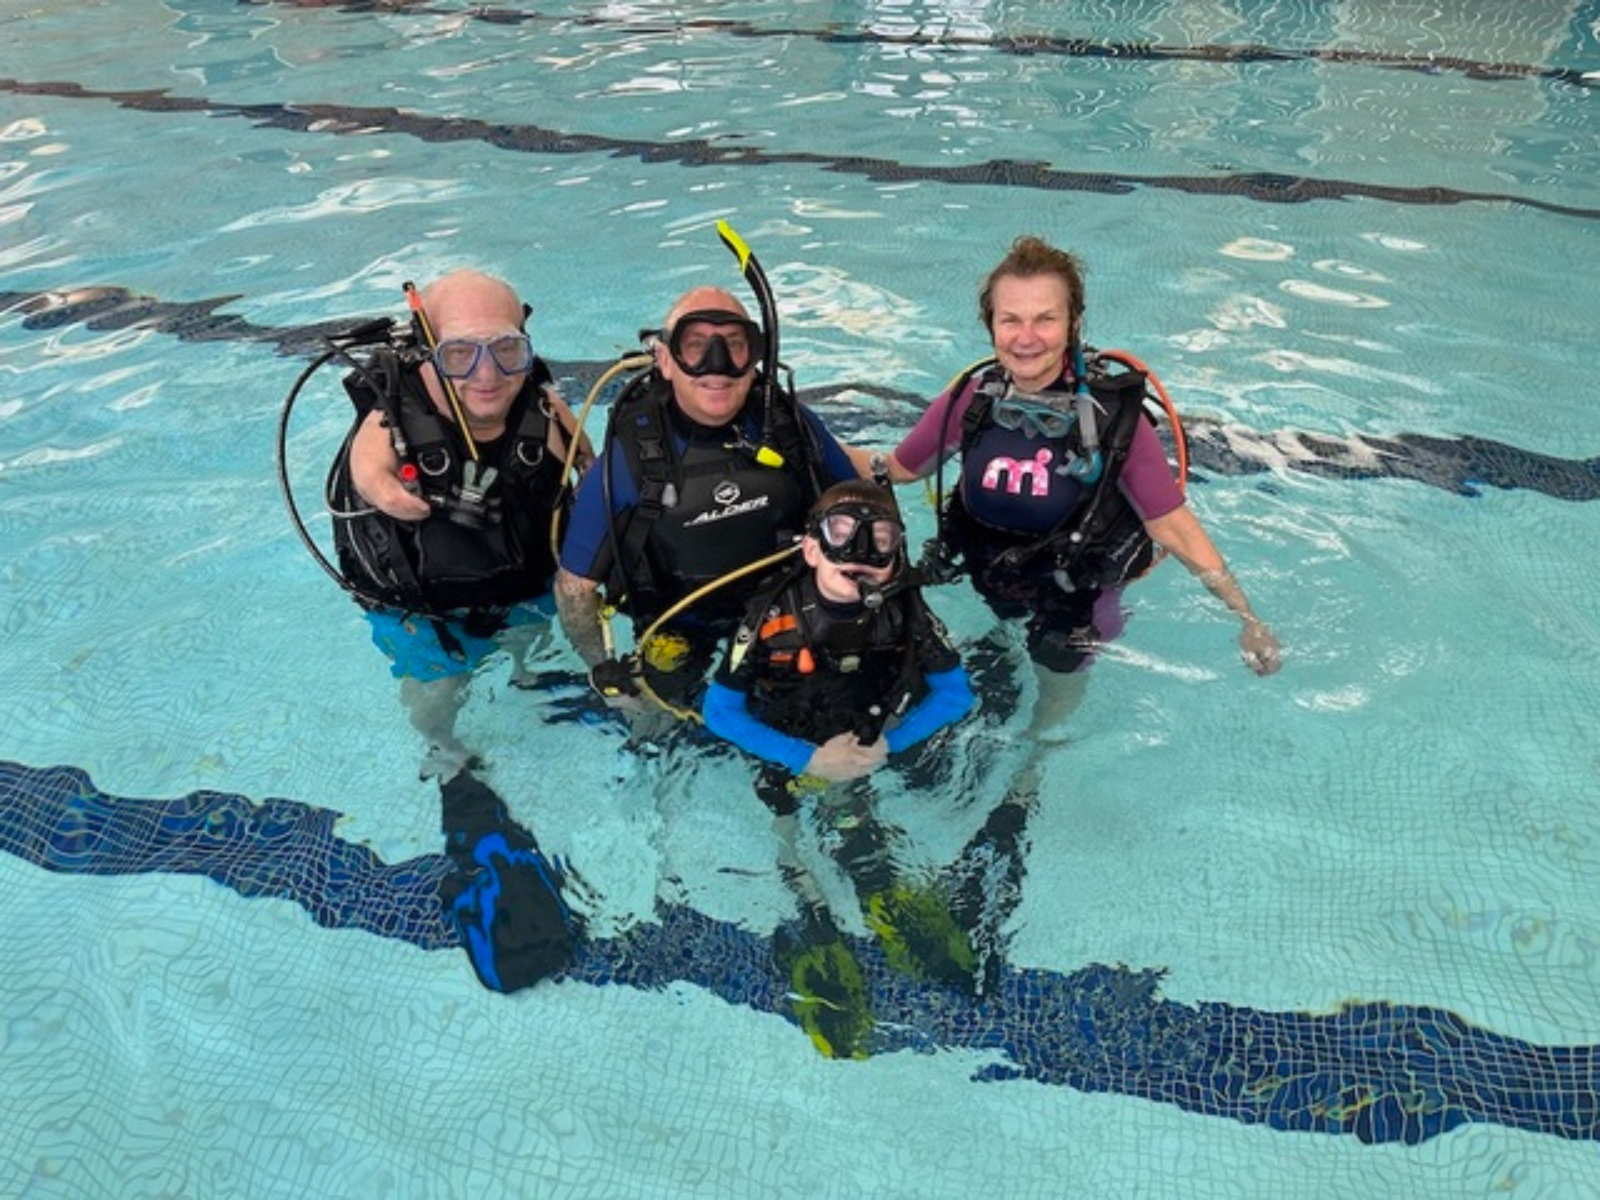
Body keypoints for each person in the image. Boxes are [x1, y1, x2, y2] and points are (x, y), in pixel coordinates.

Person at [857, 235, 1281, 732]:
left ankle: (1030, 770)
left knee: (1050, 692)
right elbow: (897, 469)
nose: (1026, 337)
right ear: (990, 325)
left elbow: (1174, 528)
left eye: (1045, 318)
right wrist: (796, 426)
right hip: (990, 575)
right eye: (1010, 319)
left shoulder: (1112, 420)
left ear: (1073, 322)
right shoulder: (969, 402)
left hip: (1076, 596)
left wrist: (1248, 619)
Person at [701, 481, 977, 1057]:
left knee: (856, 815)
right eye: (841, 537)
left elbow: (956, 695)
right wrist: (808, 759)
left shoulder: (906, 610)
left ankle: (873, 880)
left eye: (879, 542)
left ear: (896, 554)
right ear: (810, 549)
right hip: (785, 744)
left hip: (862, 743)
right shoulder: (771, 614)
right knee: (786, 826)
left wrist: (888, 747)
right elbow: (720, 711)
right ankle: (811, 905)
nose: (859, 557)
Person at [328, 269, 592, 774]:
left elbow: (585, 460)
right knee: (438, 691)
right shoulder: (392, 418)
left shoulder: (540, 403)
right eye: (460, 353)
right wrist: (388, 492)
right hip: (424, 607)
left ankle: (524, 674)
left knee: (525, 636)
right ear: (429, 349)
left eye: (507, 350)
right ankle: (443, 746)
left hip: (519, 579)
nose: (486, 374)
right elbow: (368, 468)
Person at [554, 286, 858, 717]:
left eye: (734, 346)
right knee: (659, 731)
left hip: (788, 615)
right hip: (675, 627)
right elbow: (574, 588)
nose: (717, 366)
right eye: (695, 346)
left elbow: (862, 508)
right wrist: (603, 670)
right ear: (664, 359)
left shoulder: (789, 427)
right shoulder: (628, 459)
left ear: (756, 358)